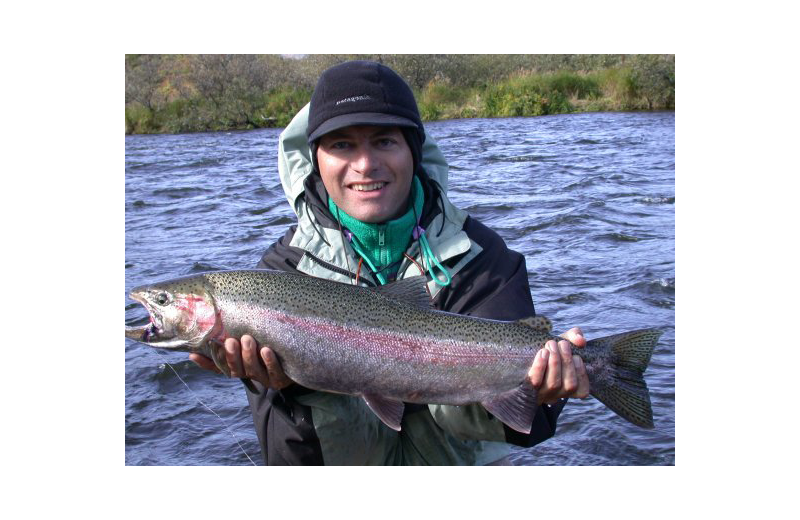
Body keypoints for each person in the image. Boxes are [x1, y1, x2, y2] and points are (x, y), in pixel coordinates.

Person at [190, 60, 590, 465]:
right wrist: (291, 389)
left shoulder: (481, 255)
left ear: (412, 151)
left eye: (384, 141)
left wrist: (540, 393)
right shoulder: (281, 272)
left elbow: (522, 426)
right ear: (316, 159)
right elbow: (288, 452)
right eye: (342, 145)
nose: (365, 164)